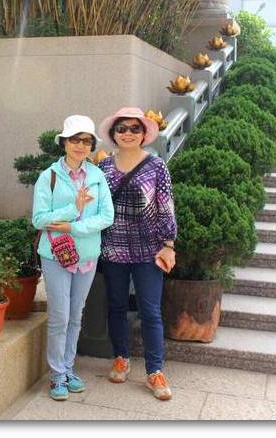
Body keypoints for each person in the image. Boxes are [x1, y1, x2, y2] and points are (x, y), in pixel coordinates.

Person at [32, 115, 115, 402]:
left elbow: (107, 216)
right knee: (59, 316)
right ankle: (56, 374)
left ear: (92, 145)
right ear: (64, 142)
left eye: (86, 140)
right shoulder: (49, 176)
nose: (80, 145)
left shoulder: (97, 176)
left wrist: (73, 227)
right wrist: (72, 208)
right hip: (56, 255)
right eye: (75, 139)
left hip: (87, 255)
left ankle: (68, 368)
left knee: (76, 315)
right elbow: (39, 219)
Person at [96, 106, 177, 401]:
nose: (128, 133)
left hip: (149, 249)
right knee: (116, 306)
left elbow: (166, 205)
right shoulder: (103, 168)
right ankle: (121, 357)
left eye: (134, 128)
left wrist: (169, 244)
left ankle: (155, 370)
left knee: (150, 311)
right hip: (113, 247)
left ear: (144, 134)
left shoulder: (156, 166)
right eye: (122, 129)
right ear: (114, 134)